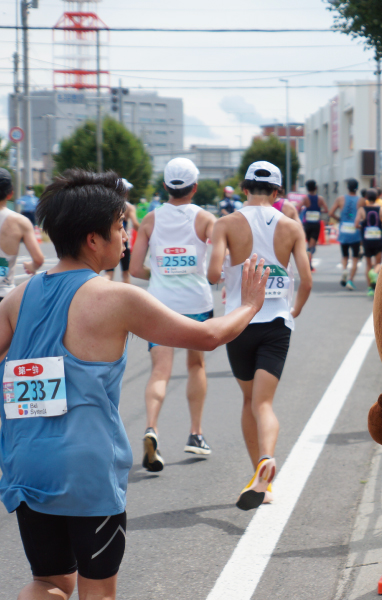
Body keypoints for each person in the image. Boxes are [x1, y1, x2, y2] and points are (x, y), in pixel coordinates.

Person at [0, 169, 268, 600]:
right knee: (98, 590)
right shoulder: (116, 297)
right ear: (93, 239)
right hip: (87, 469)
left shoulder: (20, 295)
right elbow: (209, 336)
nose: (126, 235)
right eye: (119, 226)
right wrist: (252, 304)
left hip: (25, 461)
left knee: (49, 582)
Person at [208, 160, 312, 511]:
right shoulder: (292, 226)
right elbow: (307, 279)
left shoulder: (225, 223)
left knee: (247, 401)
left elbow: (212, 273)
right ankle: (266, 462)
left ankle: (259, 473)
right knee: (264, 404)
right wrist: (293, 308)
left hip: (240, 322)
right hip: (276, 323)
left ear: (243, 186)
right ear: (279, 192)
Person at [130, 158, 216, 472]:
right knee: (196, 365)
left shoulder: (150, 220)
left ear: (165, 186)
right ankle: (196, 434)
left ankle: (151, 428)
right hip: (196, 302)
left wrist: (162, 273)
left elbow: (135, 268)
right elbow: (219, 261)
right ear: (194, 187)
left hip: (160, 304)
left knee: (159, 371)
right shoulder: (206, 219)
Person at [0, 170, 44, 298]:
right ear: (10, 194)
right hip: (4, 295)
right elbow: (38, 259)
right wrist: (30, 266)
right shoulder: (20, 222)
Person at [355, 188, 382, 297]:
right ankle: (375, 273)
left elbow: (356, 224)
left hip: (366, 239)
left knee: (368, 264)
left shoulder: (362, 210)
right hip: (378, 238)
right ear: (378, 197)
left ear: (366, 198)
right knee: (378, 262)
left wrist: (363, 226)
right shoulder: (381, 209)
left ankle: (370, 288)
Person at [328, 178, 362, 290]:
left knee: (345, 255)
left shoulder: (340, 199)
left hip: (343, 229)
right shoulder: (361, 200)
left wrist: (339, 219)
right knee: (355, 257)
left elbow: (331, 213)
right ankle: (350, 281)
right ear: (357, 188)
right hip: (355, 231)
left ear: (347, 187)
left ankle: (344, 270)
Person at [105, 179, 139, 285]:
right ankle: (127, 300)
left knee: (109, 274)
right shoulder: (129, 207)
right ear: (125, 192)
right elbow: (135, 224)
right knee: (125, 274)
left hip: (109, 242)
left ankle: (100, 295)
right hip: (123, 243)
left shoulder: (107, 205)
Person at [302, 180, 328, 271]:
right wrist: (318, 211)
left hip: (307, 224)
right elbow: (326, 210)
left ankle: (308, 262)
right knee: (311, 246)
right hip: (315, 225)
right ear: (316, 188)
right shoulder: (320, 199)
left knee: (309, 243)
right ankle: (308, 263)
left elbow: (298, 207)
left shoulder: (305, 198)